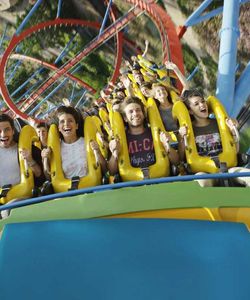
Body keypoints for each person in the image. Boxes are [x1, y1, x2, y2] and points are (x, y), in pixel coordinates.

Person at [179, 89, 250, 187]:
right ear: (190, 111)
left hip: (228, 168)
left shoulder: (220, 124)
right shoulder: (188, 129)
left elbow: (235, 150)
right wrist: (182, 138)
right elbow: (182, 157)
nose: (202, 105)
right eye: (196, 104)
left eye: (203, 101)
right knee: (201, 182)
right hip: (205, 172)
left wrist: (233, 132)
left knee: (248, 176)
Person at [108, 96, 179, 176]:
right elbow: (112, 172)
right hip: (135, 183)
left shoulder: (156, 133)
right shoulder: (120, 139)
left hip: (160, 178)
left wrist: (167, 145)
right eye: (130, 112)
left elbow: (176, 162)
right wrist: (115, 153)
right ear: (125, 118)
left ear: (143, 114)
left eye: (138, 110)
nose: (135, 114)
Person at [42, 106, 107, 180]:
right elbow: (49, 177)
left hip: (91, 186)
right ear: (59, 128)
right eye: (62, 121)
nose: (66, 124)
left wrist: (97, 151)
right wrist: (45, 159)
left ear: (76, 126)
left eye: (70, 121)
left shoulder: (87, 142)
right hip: (67, 189)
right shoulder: (55, 148)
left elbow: (104, 170)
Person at [0, 114, 44, 218]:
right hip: (2, 201)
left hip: (21, 198)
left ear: (13, 131)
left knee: (8, 211)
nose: (3, 134)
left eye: (7, 130)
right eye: (0, 130)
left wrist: (29, 160)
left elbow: (40, 176)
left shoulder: (28, 149)